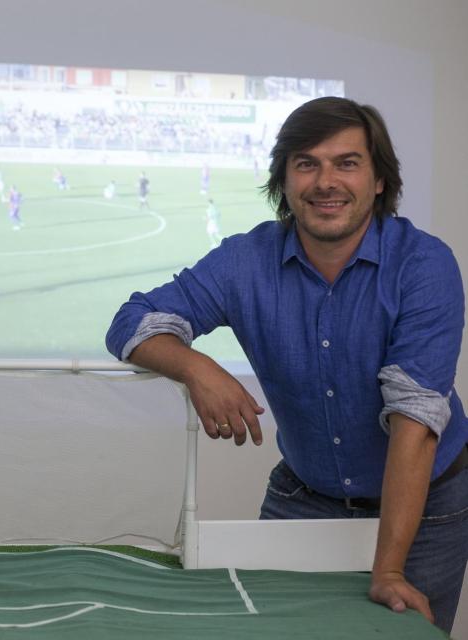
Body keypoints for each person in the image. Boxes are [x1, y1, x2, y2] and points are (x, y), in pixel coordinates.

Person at [106, 97, 468, 633]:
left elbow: (414, 421)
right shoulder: (244, 259)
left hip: (429, 507)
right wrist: (197, 367)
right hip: (304, 495)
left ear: (378, 181)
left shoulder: (424, 264)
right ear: (284, 180)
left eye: (347, 163)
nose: (326, 181)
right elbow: (130, 322)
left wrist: (388, 567)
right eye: (306, 163)